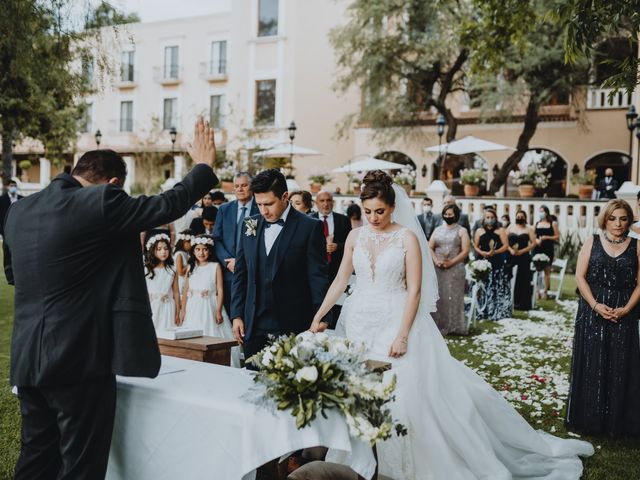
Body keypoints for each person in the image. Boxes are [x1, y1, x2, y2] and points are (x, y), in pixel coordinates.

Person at [309, 170, 593, 479]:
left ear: (393, 207)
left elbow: (415, 290)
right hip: (359, 321)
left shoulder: (406, 238)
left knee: (403, 396)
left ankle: (401, 465)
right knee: (359, 391)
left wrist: (402, 335)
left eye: (380, 211)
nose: (373, 217)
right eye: (367, 212)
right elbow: (340, 279)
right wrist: (319, 314)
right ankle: (360, 462)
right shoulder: (355, 236)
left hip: (395, 320)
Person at [3, 118, 218, 479]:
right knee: (80, 467)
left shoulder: (18, 211)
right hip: (79, 358)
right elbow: (165, 206)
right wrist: (203, 168)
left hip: (27, 357)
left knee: (36, 460)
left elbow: (14, 275)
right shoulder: (100, 201)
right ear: (115, 183)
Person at [231, 169, 329, 362]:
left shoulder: (310, 227)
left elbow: (317, 276)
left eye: (268, 204)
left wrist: (323, 317)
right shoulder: (249, 225)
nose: (263, 211)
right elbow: (241, 273)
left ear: (285, 197)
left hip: (293, 324)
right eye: (258, 204)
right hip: (253, 325)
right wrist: (237, 314)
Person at [567, 199, 640, 436]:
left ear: (629, 220)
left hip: (623, 313)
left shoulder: (637, 245)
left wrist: (627, 308)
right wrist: (595, 305)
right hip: (592, 311)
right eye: (612, 218)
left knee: (621, 364)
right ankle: (590, 419)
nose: (618, 224)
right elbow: (580, 276)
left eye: (623, 218)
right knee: (592, 363)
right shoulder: (592, 241)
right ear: (605, 219)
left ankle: (618, 423)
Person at [181, 235, 240, 367]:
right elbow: (185, 290)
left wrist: (218, 310)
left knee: (211, 333)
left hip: (210, 305)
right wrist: (183, 310)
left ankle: (215, 361)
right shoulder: (191, 267)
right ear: (193, 251)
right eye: (198, 249)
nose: (201, 253)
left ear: (210, 251)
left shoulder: (215, 266)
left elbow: (220, 289)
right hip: (193, 306)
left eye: (204, 249)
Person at [213, 172, 259, 314]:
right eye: (237, 186)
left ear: (252, 187)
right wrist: (228, 262)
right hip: (229, 271)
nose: (240, 189)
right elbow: (216, 239)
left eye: (244, 185)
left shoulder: (260, 209)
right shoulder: (224, 209)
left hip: (252, 271)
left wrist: (242, 261)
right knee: (229, 313)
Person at [311, 191, 352, 328]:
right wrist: (323, 247)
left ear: (333, 202)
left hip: (336, 269)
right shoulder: (309, 219)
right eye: (322, 201)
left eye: (328, 200)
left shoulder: (343, 220)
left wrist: (337, 246)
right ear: (316, 203)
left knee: (337, 301)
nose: (326, 203)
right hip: (316, 269)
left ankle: (335, 325)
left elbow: (349, 243)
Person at [429, 203, 470, 335]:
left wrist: (451, 262)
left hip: (455, 268)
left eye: (450, 214)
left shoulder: (462, 230)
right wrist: (436, 261)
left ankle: (454, 326)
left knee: (453, 297)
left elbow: (465, 251)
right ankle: (437, 325)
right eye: (445, 214)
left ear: (456, 215)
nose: (447, 216)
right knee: (439, 296)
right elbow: (430, 247)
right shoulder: (438, 229)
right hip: (438, 268)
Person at [474, 208, 512, 320]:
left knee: (496, 285)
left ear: (495, 219)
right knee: (482, 285)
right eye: (487, 217)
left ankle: (495, 309)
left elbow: (505, 246)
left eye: (492, 217)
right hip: (482, 261)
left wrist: (495, 252)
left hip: (497, 262)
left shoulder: (500, 231)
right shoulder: (479, 231)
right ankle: (481, 309)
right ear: (484, 219)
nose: (489, 220)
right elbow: (475, 245)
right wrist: (483, 253)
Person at [145, 234, 180, 330]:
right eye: (159, 249)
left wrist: (177, 312)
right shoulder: (147, 270)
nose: (163, 252)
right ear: (153, 250)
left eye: (166, 248)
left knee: (166, 332)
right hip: (152, 306)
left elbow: (176, 293)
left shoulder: (172, 270)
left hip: (168, 307)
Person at [507, 210, 536, 310]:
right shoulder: (511, 227)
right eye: (518, 216)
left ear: (525, 217)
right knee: (510, 277)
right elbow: (505, 240)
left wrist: (522, 251)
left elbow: (533, 243)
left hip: (523, 258)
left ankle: (521, 303)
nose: (519, 218)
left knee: (522, 278)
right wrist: (510, 250)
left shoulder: (529, 229)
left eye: (521, 216)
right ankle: (509, 300)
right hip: (511, 256)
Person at [534, 206, 560, 299]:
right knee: (537, 271)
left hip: (548, 249)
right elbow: (534, 236)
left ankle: (545, 291)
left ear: (546, 212)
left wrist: (547, 237)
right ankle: (537, 290)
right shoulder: (537, 223)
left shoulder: (552, 223)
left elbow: (557, 236)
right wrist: (537, 240)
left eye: (542, 211)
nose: (540, 213)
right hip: (538, 249)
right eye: (539, 211)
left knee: (547, 271)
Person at [173, 230, 194, 294]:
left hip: (187, 279)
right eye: (191, 243)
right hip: (181, 281)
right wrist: (191, 263)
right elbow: (180, 272)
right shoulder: (179, 254)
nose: (192, 245)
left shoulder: (186, 253)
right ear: (185, 242)